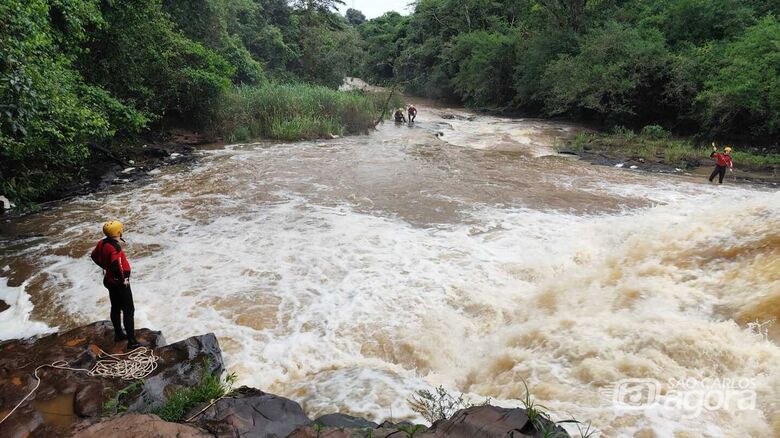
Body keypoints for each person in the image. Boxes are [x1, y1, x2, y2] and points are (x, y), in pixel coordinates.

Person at [91, 220, 140, 350]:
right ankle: (132, 341)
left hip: (109, 281)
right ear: (119, 232)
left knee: (116, 307)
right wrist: (123, 280)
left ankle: (119, 334)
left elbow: (94, 256)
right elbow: (116, 265)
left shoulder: (102, 242)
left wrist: (104, 267)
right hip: (119, 284)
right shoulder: (115, 248)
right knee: (129, 311)